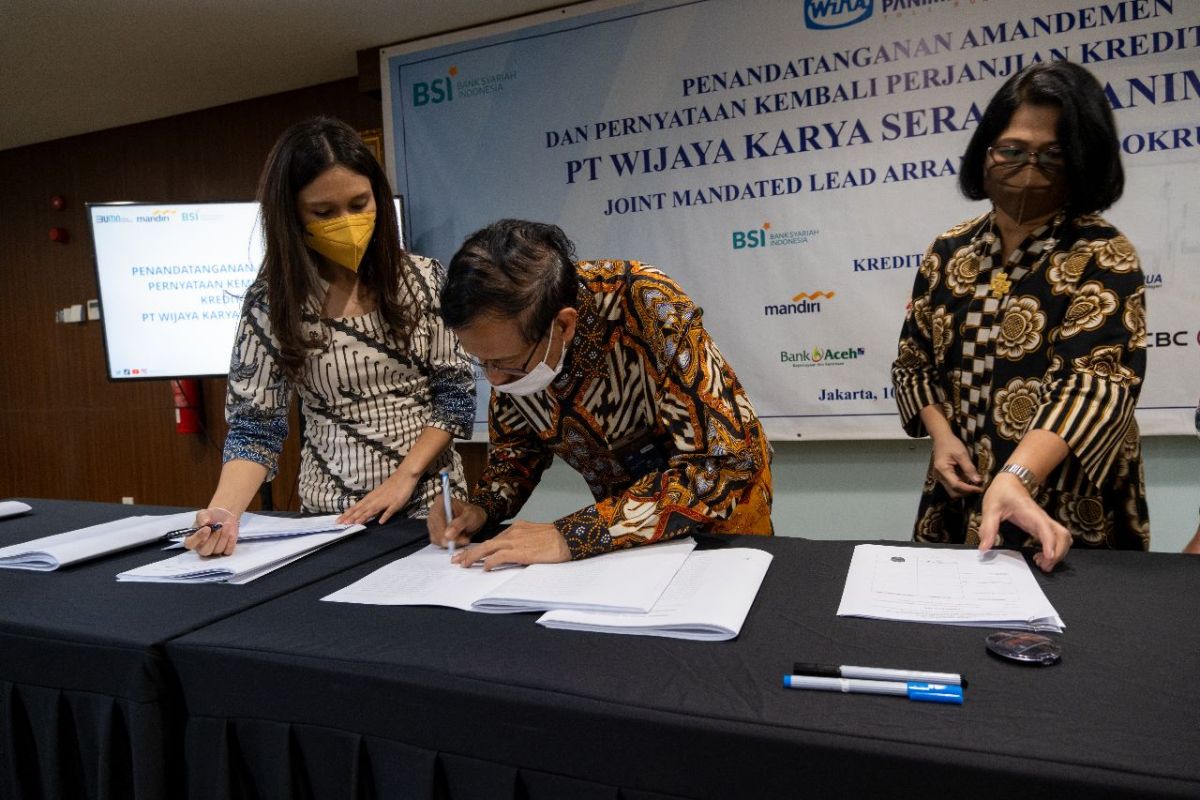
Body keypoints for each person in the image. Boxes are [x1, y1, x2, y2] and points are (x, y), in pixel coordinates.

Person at [891, 61, 1149, 573]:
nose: (1029, 169)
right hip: (960, 491)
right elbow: (913, 363)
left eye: (1053, 155)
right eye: (1012, 150)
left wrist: (1016, 477)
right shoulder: (949, 251)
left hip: (1064, 501)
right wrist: (942, 438)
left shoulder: (1103, 252)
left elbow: (1095, 386)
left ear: (1082, 161)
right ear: (986, 151)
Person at [185, 117, 475, 556]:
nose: (349, 222)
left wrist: (405, 477)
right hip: (331, 516)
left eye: (360, 204)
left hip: (430, 511)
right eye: (324, 213)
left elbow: (455, 396)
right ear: (291, 216)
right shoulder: (272, 303)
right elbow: (255, 426)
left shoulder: (422, 278)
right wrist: (223, 513)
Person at [427, 219, 773, 569]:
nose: (496, 379)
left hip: (723, 520)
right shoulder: (511, 345)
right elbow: (516, 455)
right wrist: (481, 509)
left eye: (507, 364)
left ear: (563, 325)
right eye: (481, 362)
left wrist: (574, 535)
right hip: (623, 533)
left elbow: (725, 462)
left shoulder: (646, 300)